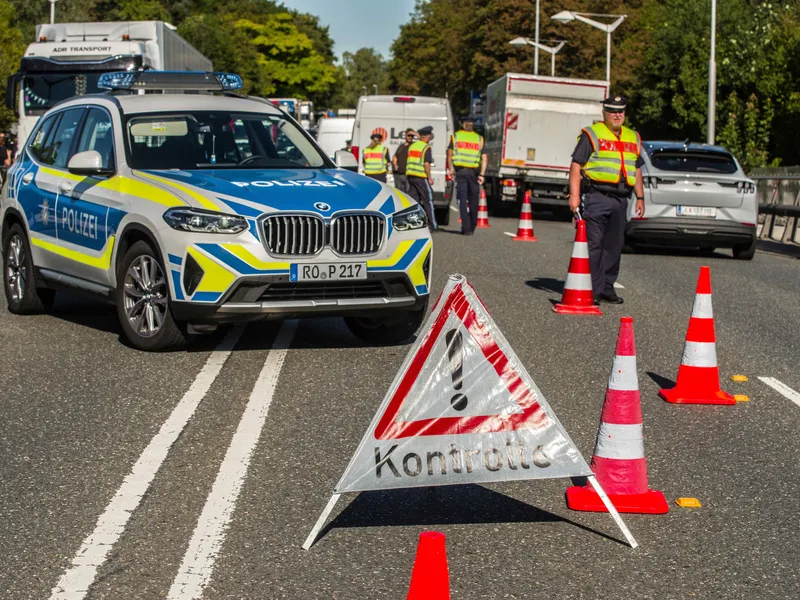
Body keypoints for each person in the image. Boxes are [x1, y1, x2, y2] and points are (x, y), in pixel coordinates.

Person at [568, 95, 645, 305]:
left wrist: (640, 196)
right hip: (597, 196)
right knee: (594, 243)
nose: (617, 115)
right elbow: (576, 165)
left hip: (621, 198)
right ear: (604, 114)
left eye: (620, 111)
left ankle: (607, 288)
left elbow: (635, 168)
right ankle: (591, 287)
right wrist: (574, 196)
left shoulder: (633, 137)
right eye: (612, 111)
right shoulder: (592, 134)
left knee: (614, 245)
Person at [447, 115, 487, 235]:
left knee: (462, 200)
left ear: (463, 124)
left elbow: (450, 155)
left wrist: (451, 169)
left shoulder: (456, 137)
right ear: (472, 125)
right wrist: (482, 175)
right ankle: (472, 226)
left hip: (461, 172)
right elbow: (484, 158)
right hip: (474, 173)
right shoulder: (479, 139)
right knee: (474, 199)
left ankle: (466, 228)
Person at [405, 126, 438, 232]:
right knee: (428, 200)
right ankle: (433, 225)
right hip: (420, 176)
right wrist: (429, 178)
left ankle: (413, 224)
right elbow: (426, 164)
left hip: (410, 176)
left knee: (414, 201)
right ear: (428, 137)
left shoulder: (413, 146)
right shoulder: (425, 147)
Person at [392, 128, 416, 193]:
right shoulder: (401, 146)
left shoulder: (414, 146)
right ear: (405, 136)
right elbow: (395, 156)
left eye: (412, 136)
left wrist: (415, 133)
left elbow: (421, 140)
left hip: (409, 174)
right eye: (409, 135)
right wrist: (395, 164)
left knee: (409, 193)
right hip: (400, 173)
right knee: (400, 193)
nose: (410, 137)